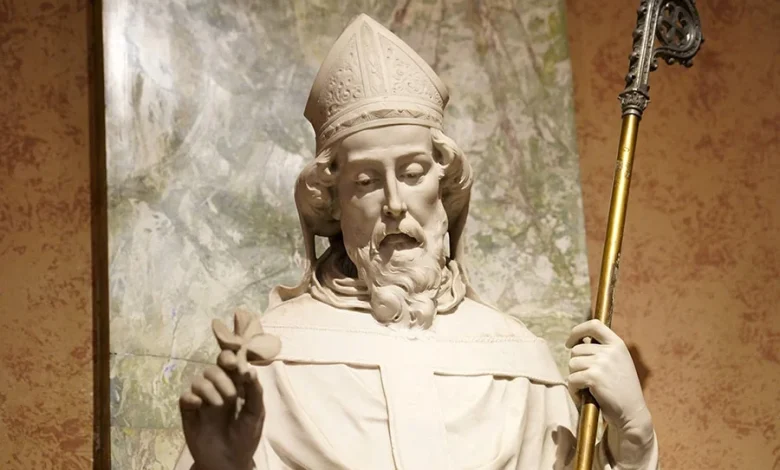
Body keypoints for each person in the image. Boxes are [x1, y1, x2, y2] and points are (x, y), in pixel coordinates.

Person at [175, 14, 659, 470]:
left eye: (412, 173)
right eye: (366, 181)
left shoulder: (519, 363)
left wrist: (632, 439)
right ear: (334, 203)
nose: (394, 204)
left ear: (443, 186)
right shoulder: (273, 361)